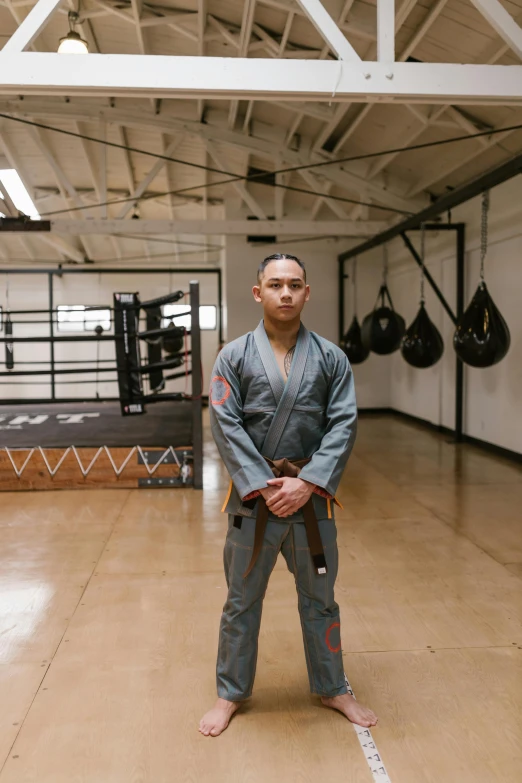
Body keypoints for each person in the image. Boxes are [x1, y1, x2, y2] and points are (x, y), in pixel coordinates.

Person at [199, 253, 378, 738]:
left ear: (306, 292)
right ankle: (229, 693)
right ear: (258, 292)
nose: (285, 293)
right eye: (275, 284)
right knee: (241, 601)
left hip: (311, 498)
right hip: (254, 501)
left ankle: (333, 686)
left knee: (321, 599)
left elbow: (344, 422)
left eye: (294, 284)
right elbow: (225, 422)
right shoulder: (233, 356)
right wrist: (262, 483)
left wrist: (308, 482)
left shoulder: (331, 358)